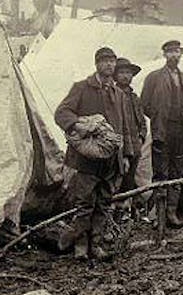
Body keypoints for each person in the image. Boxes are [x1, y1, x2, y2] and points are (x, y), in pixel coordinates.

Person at [55, 47, 128, 260]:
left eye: (112, 61)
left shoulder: (118, 94)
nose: (109, 65)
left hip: (110, 160)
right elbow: (61, 113)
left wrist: (124, 155)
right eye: (105, 61)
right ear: (96, 64)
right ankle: (80, 245)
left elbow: (124, 128)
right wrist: (79, 124)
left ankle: (96, 244)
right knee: (85, 203)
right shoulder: (82, 88)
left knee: (104, 202)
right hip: (86, 159)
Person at [140, 40, 183, 228]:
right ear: (164, 55)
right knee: (160, 174)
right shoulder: (153, 77)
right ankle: (158, 215)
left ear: (181, 55)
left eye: (177, 52)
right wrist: (158, 117)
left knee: (177, 174)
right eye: (170, 52)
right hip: (162, 131)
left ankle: (171, 212)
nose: (174, 55)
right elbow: (144, 104)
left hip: (182, 132)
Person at [114, 57, 147, 209]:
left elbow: (142, 121)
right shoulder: (111, 96)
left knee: (130, 177)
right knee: (117, 178)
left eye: (128, 72)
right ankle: (115, 210)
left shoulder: (135, 98)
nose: (126, 76)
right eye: (122, 72)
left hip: (135, 146)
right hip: (118, 146)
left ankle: (126, 210)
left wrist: (141, 137)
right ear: (115, 75)